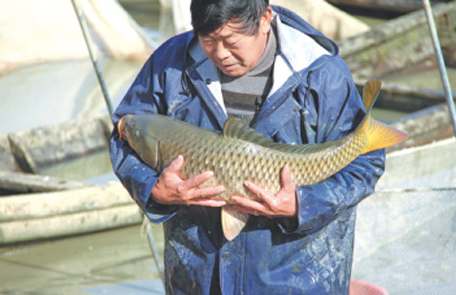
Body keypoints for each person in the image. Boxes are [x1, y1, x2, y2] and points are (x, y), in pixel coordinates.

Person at [109, 0, 385, 294]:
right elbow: (124, 134)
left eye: (231, 41)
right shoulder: (170, 63)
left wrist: (302, 206)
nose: (220, 53)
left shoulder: (320, 73)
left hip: (298, 276)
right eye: (208, 40)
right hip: (197, 275)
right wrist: (154, 190)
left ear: (265, 19)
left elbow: (366, 164)